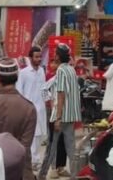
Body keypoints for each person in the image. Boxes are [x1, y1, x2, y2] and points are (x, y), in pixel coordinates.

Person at [39, 43, 82, 179]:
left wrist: (57, 118)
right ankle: (75, 176)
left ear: (57, 56)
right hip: (70, 116)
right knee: (71, 148)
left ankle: (42, 175)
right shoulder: (72, 70)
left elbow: (61, 94)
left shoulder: (61, 71)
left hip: (60, 116)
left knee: (51, 148)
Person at [17, 46, 47, 170]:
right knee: (33, 135)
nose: (39, 59)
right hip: (29, 108)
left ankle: (35, 159)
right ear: (30, 58)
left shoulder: (41, 71)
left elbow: (44, 89)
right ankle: (34, 161)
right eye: (36, 57)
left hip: (41, 108)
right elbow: (19, 90)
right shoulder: (24, 73)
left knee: (40, 135)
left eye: (40, 56)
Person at [41, 58, 68, 178]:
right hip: (55, 114)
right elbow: (44, 90)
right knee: (54, 141)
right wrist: (51, 103)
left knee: (64, 141)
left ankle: (61, 167)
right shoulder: (53, 79)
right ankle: (52, 168)